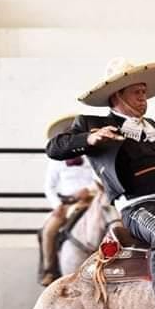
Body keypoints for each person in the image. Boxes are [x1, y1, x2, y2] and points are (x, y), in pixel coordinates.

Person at [46, 58, 155, 309]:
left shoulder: (151, 126)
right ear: (118, 96)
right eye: (137, 92)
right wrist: (89, 138)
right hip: (139, 207)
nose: (144, 98)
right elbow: (54, 148)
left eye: (144, 92)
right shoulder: (93, 124)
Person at [40, 115, 99, 286]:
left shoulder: (91, 156)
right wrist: (57, 205)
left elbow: (100, 179)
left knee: (111, 222)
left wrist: (88, 190)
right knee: (49, 230)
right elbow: (49, 186)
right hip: (66, 204)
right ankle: (49, 269)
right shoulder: (56, 161)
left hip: (90, 201)